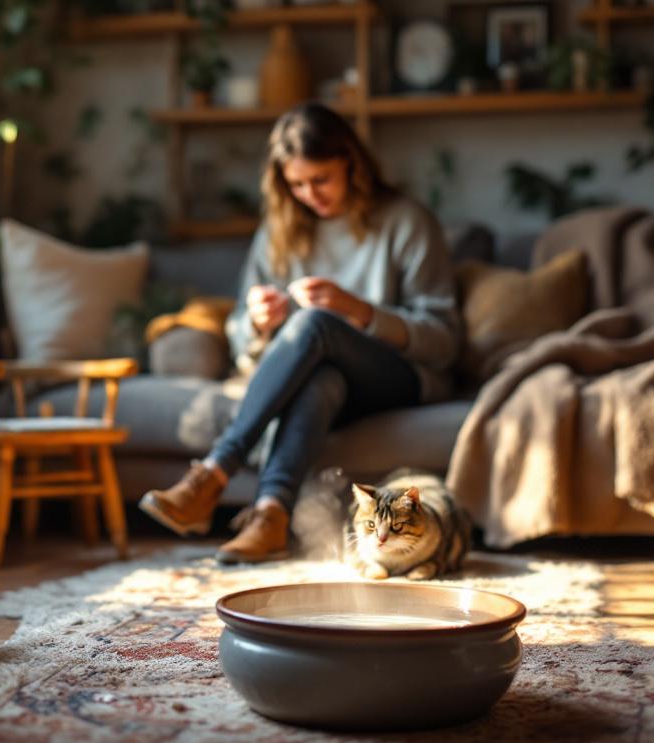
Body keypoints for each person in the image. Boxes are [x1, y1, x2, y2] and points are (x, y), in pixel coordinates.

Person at [138, 102, 460, 564]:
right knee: (322, 379)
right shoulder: (280, 232)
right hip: (325, 380)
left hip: (400, 376)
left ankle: (213, 471)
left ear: (351, 163)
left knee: (313, 323)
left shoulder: (406, 222)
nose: (310, 194)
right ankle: (271, 515)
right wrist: (256, 322)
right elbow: (241, 339)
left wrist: (358, 311)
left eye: (321, 179)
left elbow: (444, 341)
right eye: (297, 184)